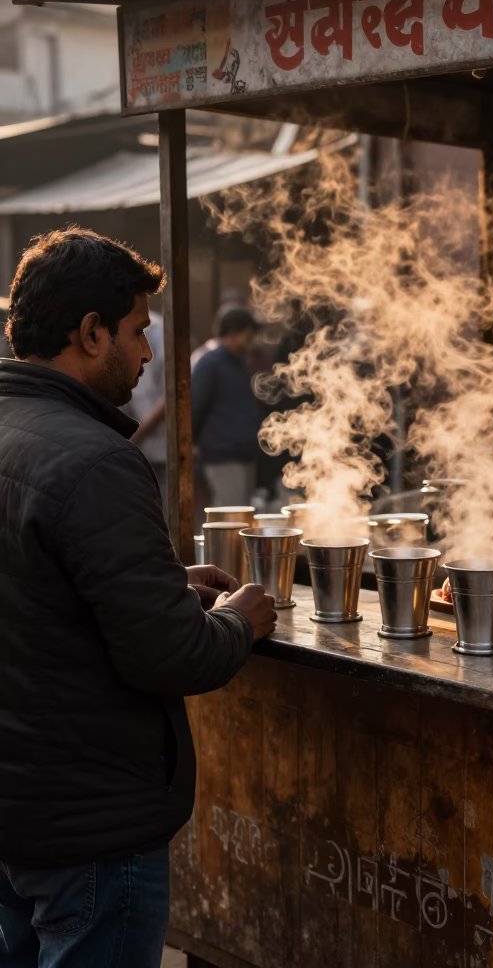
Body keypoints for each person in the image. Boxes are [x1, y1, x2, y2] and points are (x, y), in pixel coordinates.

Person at [0, 229, 277, 967]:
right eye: (138, 331)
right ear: (90, 334)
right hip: (87, 827)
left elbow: (36, 587)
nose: (150, 354)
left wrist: (157, 585)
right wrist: (239, 624)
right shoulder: (96, 461)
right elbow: (171, 655)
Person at [191, 305, 262, 507]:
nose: (252, 337)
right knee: (230, 516)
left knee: (242, 514)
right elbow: (194, 407)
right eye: (249, 332)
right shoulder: (210, 362)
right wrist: (192, 443)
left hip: (243, 454)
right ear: (233, 332)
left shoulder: (239, 362)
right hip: (222, 456)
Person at [123, 308, 167, 503]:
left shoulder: (158, 330)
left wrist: (135, 437)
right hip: (130, 448)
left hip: (160, 447)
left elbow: (171, 394)